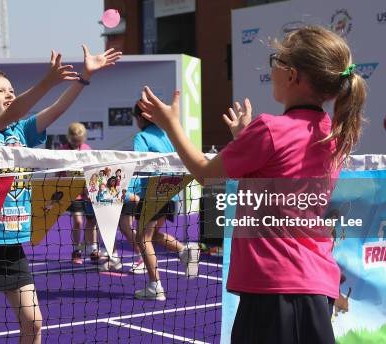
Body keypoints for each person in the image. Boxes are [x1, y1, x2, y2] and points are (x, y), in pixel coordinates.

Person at [137, 25, 366, 342]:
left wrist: (170, 124)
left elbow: (206, 173)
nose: (272, 69)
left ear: (293, 75)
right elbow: (280, 177)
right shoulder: (333, 133)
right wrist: (244, 140)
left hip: (278, 291)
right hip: (307, 286)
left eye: (277, 60)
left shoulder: (271, 129)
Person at [0, 45, 121, 344]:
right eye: (1, 91)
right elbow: (16, 109)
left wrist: (84, 78)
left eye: (11, 89)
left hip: (11, 245)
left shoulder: (23, 131)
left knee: (34, 324)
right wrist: (47, 83)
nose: (9, 94)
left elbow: (56, 110)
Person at [101, 104, 199, 300]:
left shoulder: (142, 138)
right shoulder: (166, 136)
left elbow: (137, 165)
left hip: (154, 193)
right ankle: (184, 249)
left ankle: (156, 286)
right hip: (171, 192)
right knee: (151, 235)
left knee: (142, 239)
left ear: (141, 118)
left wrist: (116, 184)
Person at [59, 122, 103, 265]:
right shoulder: (63, 151)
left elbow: (93, 172)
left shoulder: (87, 149)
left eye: (80, 140)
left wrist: (92, 190)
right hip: (73, 194)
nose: (77, 143)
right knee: (78, 221)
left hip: (88, 193)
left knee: (92, 222)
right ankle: (76, 250)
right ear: (69, 137)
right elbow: (58, 173)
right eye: (74, 140)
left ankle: (93, 250)